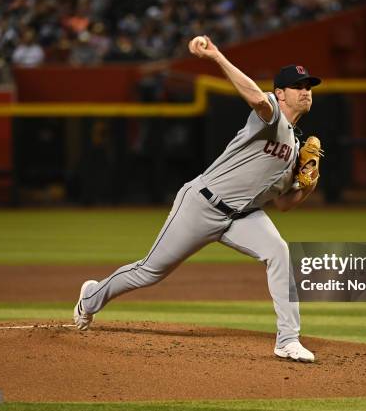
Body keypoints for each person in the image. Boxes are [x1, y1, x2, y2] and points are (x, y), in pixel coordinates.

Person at [73, 36, 321, 363]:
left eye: (309, 86)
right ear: (280, 93)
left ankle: (287, 340)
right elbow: (253, 97)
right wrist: (217, 55)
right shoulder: (271, 115)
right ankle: (90, 298)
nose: (306, 90)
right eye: (298, 85)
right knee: (150, 272)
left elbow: (285, 204)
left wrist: (309, 184)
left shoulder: (293, 151)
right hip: (202, 204)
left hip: (242, 216)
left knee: (279, 251)